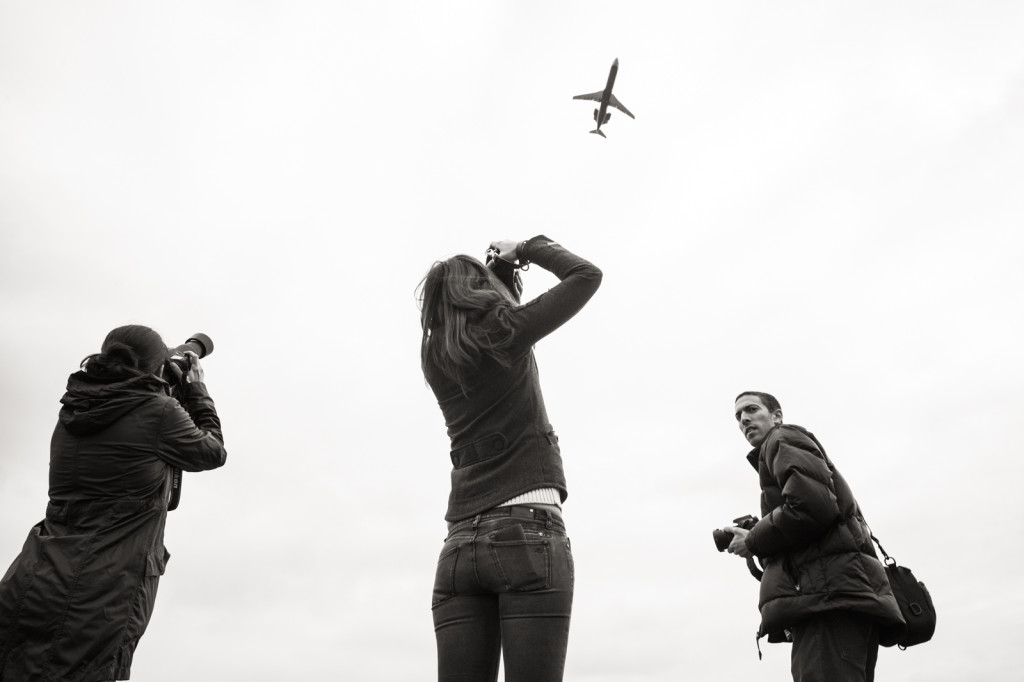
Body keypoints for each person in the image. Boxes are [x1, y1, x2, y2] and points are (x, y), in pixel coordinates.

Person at [418, 236, 601, 682]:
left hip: (459, 547)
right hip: (525, 530)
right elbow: (586, 276)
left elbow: (493, 332)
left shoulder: (434, 356)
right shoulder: (504, 333)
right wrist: (527, 246)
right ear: (477, 292)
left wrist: (499, 281)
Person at [0, 325, 227, 682]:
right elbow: (212, 451)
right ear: (156, 368)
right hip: (99, 595)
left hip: (34, 578)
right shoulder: (159, 413)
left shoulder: (73, 411)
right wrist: (196, 391)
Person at [723, 391, 904, 682]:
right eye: (738, 417)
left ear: (776, 416)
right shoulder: (783, 446)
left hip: (828, 600)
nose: (744, 419)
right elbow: (813, 514)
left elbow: (811, 506)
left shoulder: (782, 439)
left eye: (751, 409)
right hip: (841, 596)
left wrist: (754, 539)